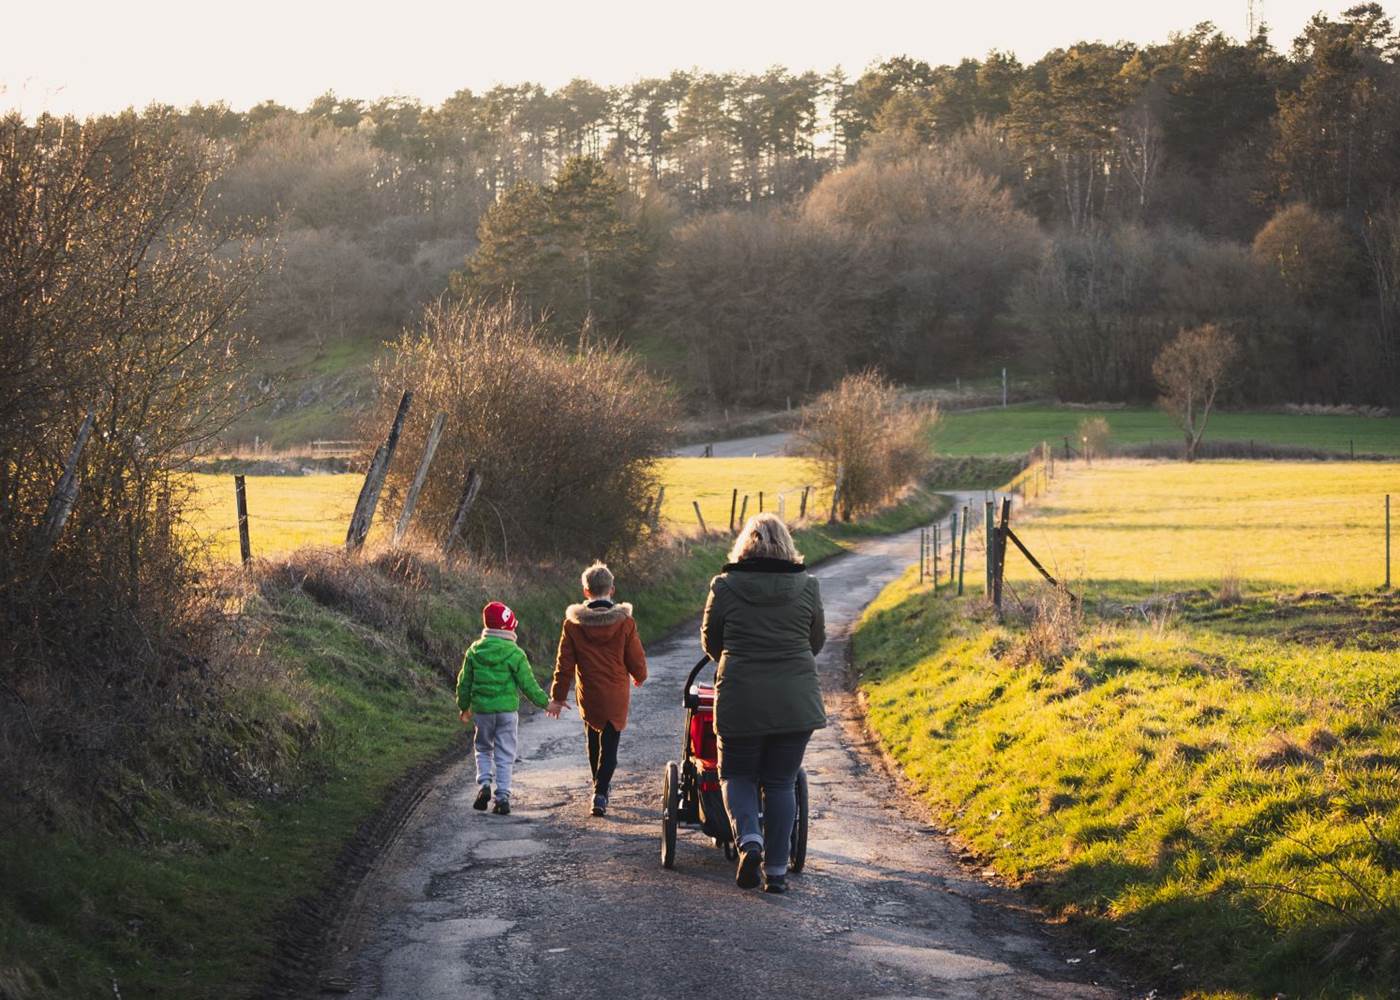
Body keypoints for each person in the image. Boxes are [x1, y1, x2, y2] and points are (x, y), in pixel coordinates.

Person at [702, 512, 826, 893]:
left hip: (742, 698)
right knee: (781, 783)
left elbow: (711, 642)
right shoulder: (808, 586)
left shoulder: (724, 586)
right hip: (795, 701)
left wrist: (736, 655)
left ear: (744, 546)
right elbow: (815, 641)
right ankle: (775, 872)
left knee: (736, 775)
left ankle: (749, 841)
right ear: (787, 544)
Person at [547, 561, 647, 817]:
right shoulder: (625, 622)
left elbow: (564, 663)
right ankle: (601, 792)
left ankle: (598, 787)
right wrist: (640, 675)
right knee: (610, 745)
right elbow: (635, 656)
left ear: (586, 591)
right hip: (615, 692)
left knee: (593, 740)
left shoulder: (573, 625)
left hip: (589, 692)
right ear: (611, 590)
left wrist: (558, 696)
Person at [457, 600, 556, 816]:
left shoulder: (474, 650)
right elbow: (528, 684)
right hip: (507, 713)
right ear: (507, 627)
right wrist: (546, 702)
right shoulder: (515, 653)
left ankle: (484, 785)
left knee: (483, 748)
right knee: (504, 754)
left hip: (482, 712)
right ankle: (502, 798)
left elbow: (464, 682)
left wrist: (464, 707)